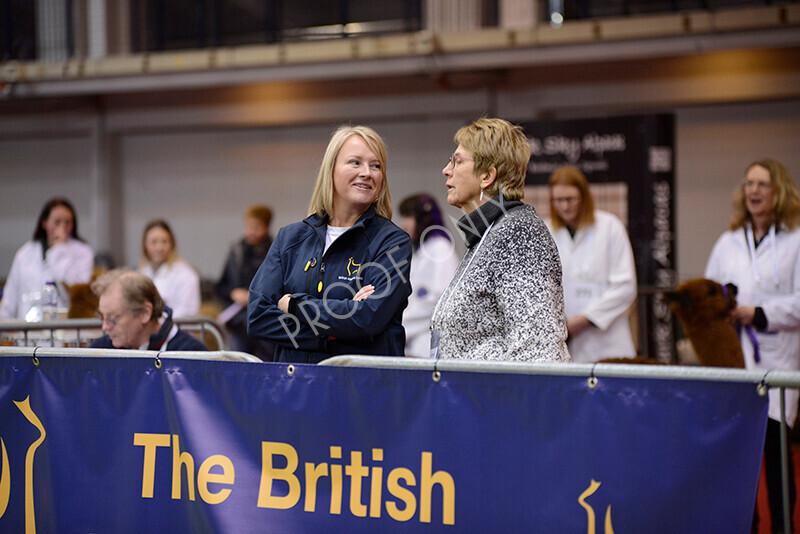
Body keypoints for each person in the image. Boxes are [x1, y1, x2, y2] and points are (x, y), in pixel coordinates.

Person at [247, 125, 412, 364]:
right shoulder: (290, 239)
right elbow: (258, 318)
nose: (367, 172)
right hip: (298, 388)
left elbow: (368, 319)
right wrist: (329, 335)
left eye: (376, 166)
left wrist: (295, 304)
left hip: (362, 390)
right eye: (355, 162)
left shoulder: (392, 242)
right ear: (331, 170)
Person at [705, 158, 800, 533]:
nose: (754, 191)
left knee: (777, 457)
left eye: (762, 184)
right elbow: (711, 289)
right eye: (749, 184)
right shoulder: (728, 241)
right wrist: (723, 308)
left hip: (777, 357)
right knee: (737, 458)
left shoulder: (795, 239)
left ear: (779, 192)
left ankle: (782, 527)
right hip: (733, 361)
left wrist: (758, 313)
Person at [430, 117, 570, 362]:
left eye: (457, 161)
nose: (446, 169)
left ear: (487, 176)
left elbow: (537, 345)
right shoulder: (489, 233)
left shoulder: (519, 233)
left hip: (494, 399)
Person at [546, 165, 638, 363]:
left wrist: (585, 319)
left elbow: (625, 286)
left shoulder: (610, 227)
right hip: (565, 344)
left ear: (583, 198)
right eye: (558, 200)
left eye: (570, 199)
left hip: (608, 341)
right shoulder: (547, 231)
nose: (564, 206)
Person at [0, 197, 94, 320]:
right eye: (57, 222)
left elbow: (77, 291)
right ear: (44, 222)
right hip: (28, 328)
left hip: (66, 328)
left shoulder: (83, 252)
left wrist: (59, 251)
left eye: (67, 222)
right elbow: (11, 295)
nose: (62, 227)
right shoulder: (25, 253)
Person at [398, 194, 459, 358]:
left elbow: (438, 301)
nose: (404, 224)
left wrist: (401, 324)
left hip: (426, 345)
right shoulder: (423, 252)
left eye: (408, 217)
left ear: (423, 219)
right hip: (415, 343)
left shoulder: (439, 249)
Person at [90, 269, 207, 351]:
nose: (105, 327)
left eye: (112, 318)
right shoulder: (100, 352)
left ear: (145, 313)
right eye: (102, 317)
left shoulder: (191, 356)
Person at [216, 204, 275, 361]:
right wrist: (233, 293)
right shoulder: (236, 252)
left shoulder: (276, 251)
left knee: (265, 364)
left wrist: (255, 297)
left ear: (267, 227)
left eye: (256, 227)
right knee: (239, 363)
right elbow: (220, 287)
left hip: (266, 322)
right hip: (238, 322)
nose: (251, 231)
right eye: (248, 226)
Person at [138, 219, 201, 318]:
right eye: (153, 242)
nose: (159, 248)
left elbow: (188, 312)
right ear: (145, 245)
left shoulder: (186, 274)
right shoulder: (142, 273)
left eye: (164, 242)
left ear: (172, 244)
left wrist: (158, 321)